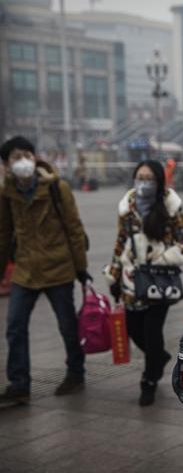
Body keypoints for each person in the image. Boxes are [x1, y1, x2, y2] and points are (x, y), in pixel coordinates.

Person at [0, 136, 91, 403]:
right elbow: (3, 234)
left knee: (67, 325)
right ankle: (19, 384)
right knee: (15, 326)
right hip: (26, 269)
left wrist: (81, 268)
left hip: (58, 267)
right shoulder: (6, 194)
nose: (23, 161)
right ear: (6, 164)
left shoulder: (56, 188)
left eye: (27, 155)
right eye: (16, 157)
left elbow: (74, 229)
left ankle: (75, 372)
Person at [103, 160, 183, 406]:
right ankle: (159, 357)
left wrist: (165, 256)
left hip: (158, 278)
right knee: (133, 329)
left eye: (149, 178)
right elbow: (120, 240)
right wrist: (114, 273)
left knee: (152, 332)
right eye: (139, 177)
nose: (143, 183)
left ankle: (149, 381)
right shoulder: (127, 206)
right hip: (132, 278)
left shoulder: (170, 204)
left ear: (158, 181)